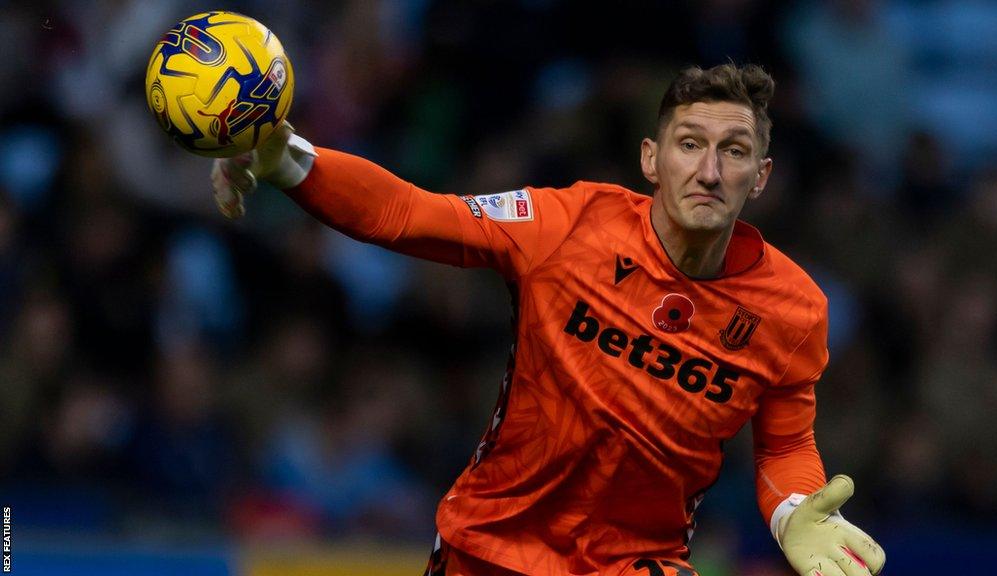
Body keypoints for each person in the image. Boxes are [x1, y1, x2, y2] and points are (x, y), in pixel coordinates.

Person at [211, 63, 886, 576]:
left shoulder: (792, 310)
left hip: (638, 563)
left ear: (760, 175)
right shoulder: (569, 224)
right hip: (490, 548)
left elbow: (784, 445)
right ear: (652, 159)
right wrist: (288, 161)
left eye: (734, 151)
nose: (709, 170)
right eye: (690, 144)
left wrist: (794, 512)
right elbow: (411, 214)